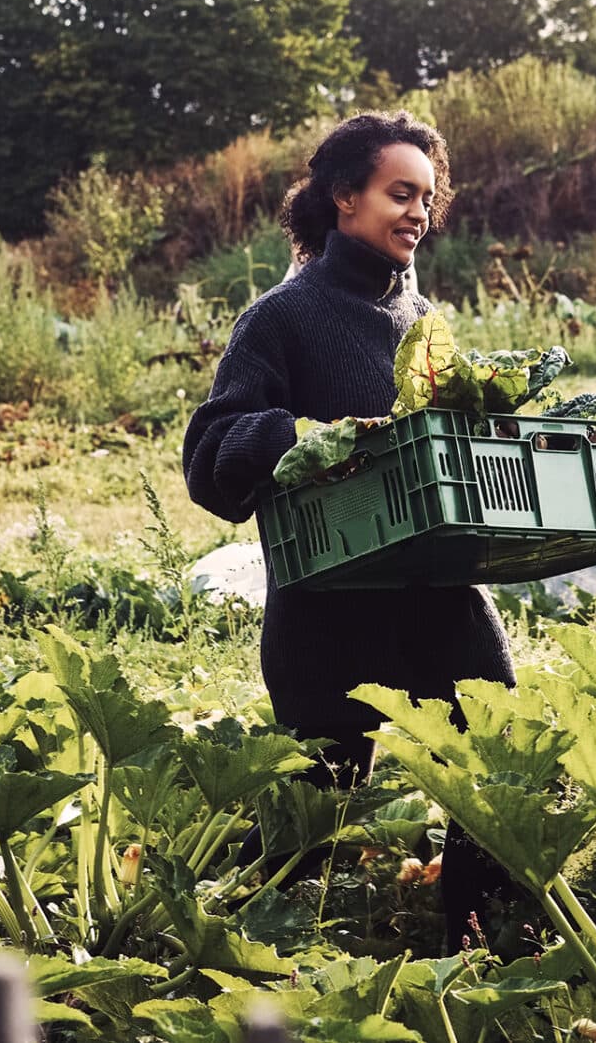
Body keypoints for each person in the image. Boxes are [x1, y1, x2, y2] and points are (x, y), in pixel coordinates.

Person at [182, 110, 516, 951]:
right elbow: (211, 456)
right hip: (327, 601)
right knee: (316, 799)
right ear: (344, 200)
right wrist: (301, 435)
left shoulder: (425, 321)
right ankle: (211, 940)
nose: (416, 213)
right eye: (399, 194)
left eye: (426, 199)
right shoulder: (282, 317)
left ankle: (478, 937)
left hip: (433, 588)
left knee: (495, 754)